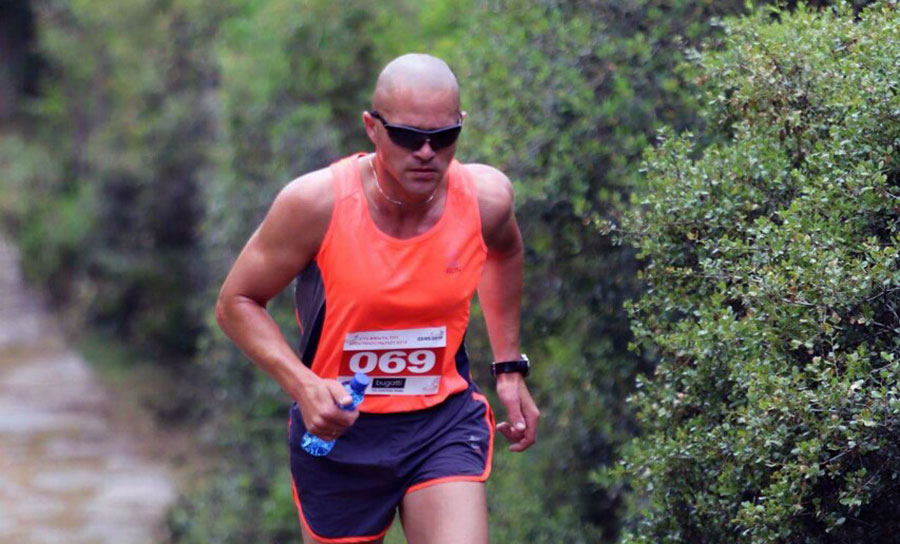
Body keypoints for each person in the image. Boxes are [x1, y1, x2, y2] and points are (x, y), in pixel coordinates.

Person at [215, 53, 539, 544]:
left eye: (444, 136)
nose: (426, 152)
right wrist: (304, 386)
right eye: (408, 136)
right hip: (340, 434)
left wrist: (509, 367)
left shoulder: (485, 199)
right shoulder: (316, 204)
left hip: (441, 422)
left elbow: (505, 251)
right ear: (372, 127)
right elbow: (236, 302)